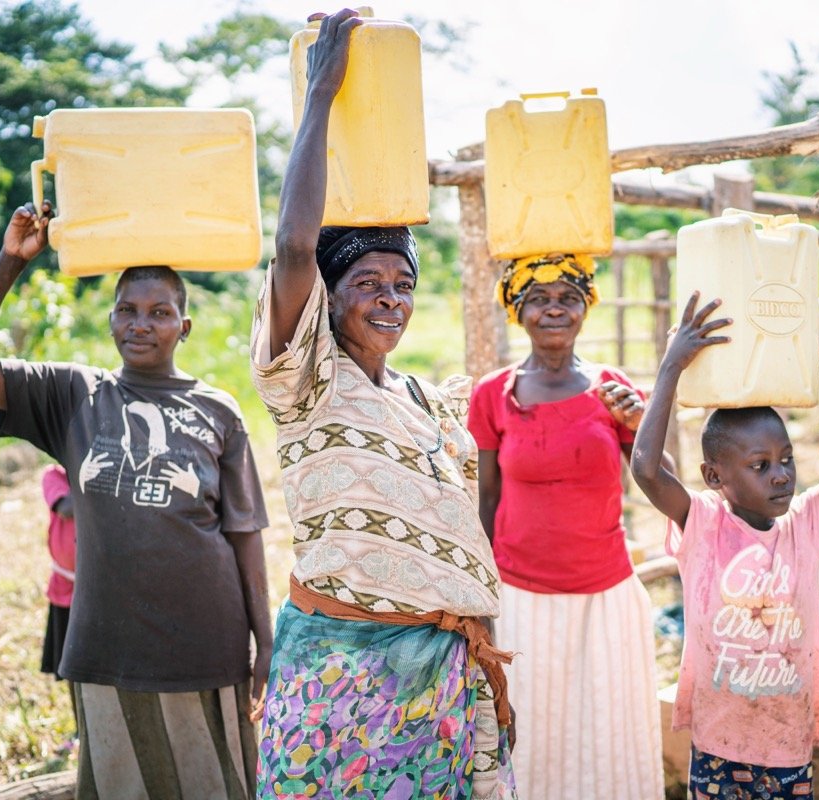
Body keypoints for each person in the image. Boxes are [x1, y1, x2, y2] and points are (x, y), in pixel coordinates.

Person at [249, 9, 515, 799]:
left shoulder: (427, 400)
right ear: (326, 300)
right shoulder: (306, 381)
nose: (389, 299)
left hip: (442, 675)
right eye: (366, 283)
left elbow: (463, 539)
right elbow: (296, 245)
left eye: (402, 283)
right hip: (343, 668)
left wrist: (489, 688)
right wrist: (322, 94)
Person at [0, 202, 273, 798]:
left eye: (160, 312)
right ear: (111, 321)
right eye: (127, 311)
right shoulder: (72, 394)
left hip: (208, 644)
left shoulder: (218, 410)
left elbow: (244, 533)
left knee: (215, 783)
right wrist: (12, 262)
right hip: (108, 644)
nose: (141, 324)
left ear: (183, 327)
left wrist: (264, 643)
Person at [629, 292, 819, 799]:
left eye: (786, 459)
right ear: (714, 476)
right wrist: (671, 368)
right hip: (718, 742)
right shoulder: (703, 524)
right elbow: (644, 467)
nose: (781, 476)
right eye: (760, 465)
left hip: (786, 742)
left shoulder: (805, 523)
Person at [466, 254, 665, 799]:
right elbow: (485, 499)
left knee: (605, 728)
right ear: (517, 310)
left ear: (585, 308)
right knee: (531, 728)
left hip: (605, 594)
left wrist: (638, 422)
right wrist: (479, 600)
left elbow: (659, 483)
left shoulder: (612, 390)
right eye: (538, 299)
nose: (554, 309)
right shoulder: (492, 395)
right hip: (520, 595)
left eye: (568, 298)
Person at [39, 463, 77, 743]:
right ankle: (81, 730)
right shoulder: (54, 476)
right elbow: (66, 508)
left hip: (100, 589)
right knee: (73, 667)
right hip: (66, 592)